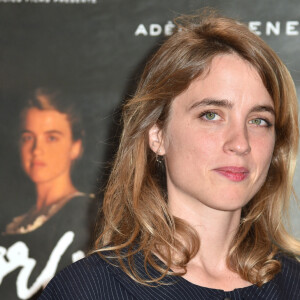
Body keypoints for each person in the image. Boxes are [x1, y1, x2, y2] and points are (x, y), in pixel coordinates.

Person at [40, 11, 300, 300]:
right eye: (211, 115)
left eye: (259, 120)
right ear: (157, 135)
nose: (241, 143)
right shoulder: (86, 290)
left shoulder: (293, 284)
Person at [0, 88, 97, 299]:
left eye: (51, 138)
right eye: (28, 137)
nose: (36, 149)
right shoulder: (12, 222)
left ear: (75, 147)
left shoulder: (88, 215)